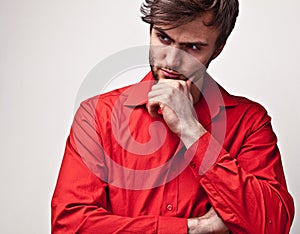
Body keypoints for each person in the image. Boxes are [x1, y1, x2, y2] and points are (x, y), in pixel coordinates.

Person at [51, 0, 294, 233]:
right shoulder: (96, 115)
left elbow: (273, 226)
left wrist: (192, 130)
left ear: (218, 49)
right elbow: (69, 226)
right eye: (163, 38)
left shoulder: (249, 122)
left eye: (193, 47)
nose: (171, 61)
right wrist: (194, 229)